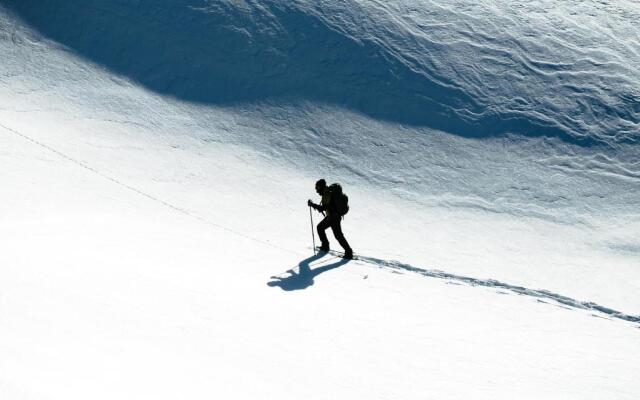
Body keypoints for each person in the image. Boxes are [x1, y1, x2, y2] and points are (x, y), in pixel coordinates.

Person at [307, 179, 353, 259]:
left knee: (338, 235)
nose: (317, 190)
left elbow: (323, 208)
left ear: (321, 187)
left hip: (333, 218)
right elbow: (325, 207)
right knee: (321, 228)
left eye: (317, 188)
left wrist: (312, 204)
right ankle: (326, 246)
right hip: (332, 217)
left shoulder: (327, 194)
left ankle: (348, 252)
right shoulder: (327, 193)